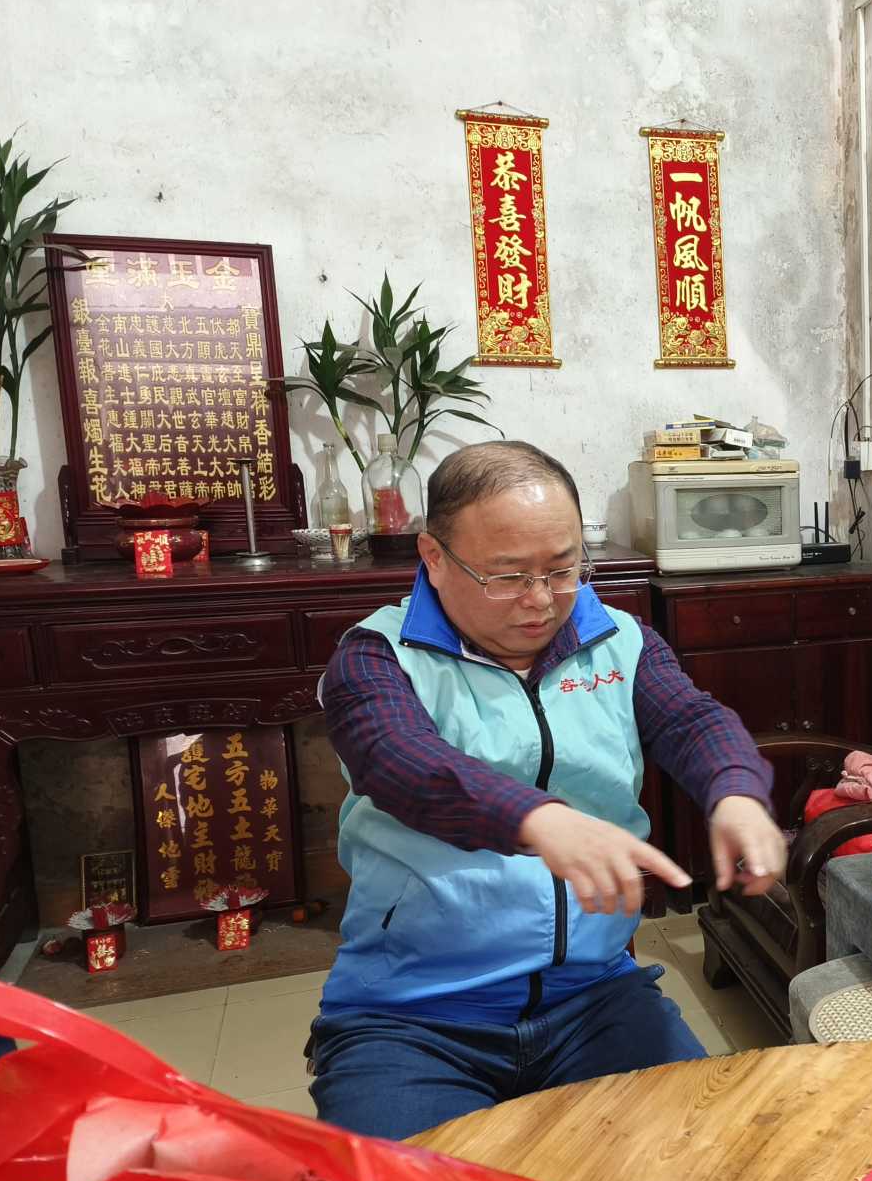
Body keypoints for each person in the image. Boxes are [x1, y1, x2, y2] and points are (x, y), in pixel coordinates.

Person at [307, 441, 785, 1139]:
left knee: (699, 1160)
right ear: (434, 556)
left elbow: (690, 720)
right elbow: (402, 762)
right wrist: (539, 820)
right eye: (507, 576)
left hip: (593, 996)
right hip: (411, 1015)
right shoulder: (377, 656)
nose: (540, 600)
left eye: (562, 569)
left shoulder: (618, 640)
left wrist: (736, 790)